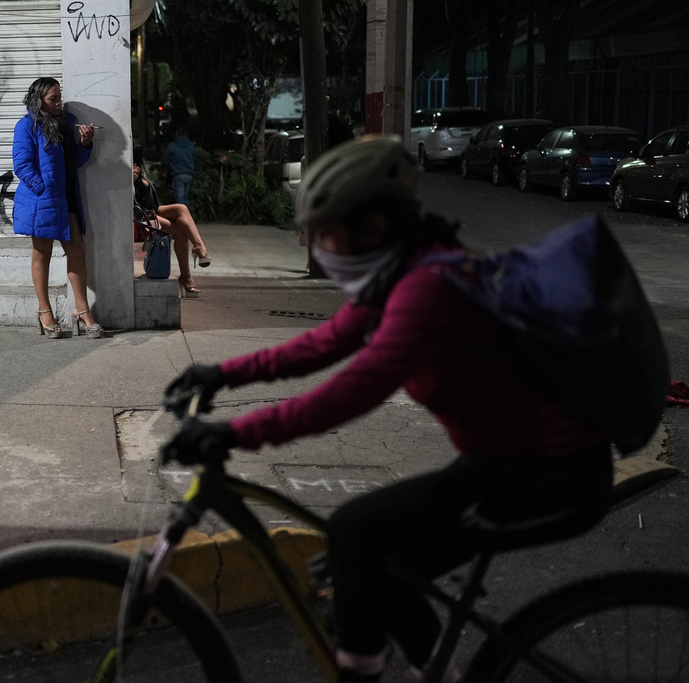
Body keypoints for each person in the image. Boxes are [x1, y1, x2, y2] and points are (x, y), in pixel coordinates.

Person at [162, 135, 613, 682]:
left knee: (357, 530)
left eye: (328, 233)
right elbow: (323, 344)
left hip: (554, 472)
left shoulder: (428, 287)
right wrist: (223, 373)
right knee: (386, 567)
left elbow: (351, 391)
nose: (320, 247)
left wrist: (234, 434)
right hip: (504, 457)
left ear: (372, 228)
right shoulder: (403, 270)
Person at [12, 76, 103, 339]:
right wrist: (44, 190)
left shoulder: (65, 124)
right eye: (53, 99)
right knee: (42, 254)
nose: (59, 103)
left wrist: (85, 143)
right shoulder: (26, 126)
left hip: (67, 199)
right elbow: (22, 165)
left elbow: (73, 162)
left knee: (77, 251)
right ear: (38, 100)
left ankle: (82, 311)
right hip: (43, 201)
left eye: (59, 97)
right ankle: (44, 312)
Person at [133, 146, 211, 298]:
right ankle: (187, 277)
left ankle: (199, 247)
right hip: (142, 216)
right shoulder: (126, 172)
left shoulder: (139, 170)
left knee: (181, 208)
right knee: (182, 234)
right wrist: (131, 179)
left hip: (152, 210)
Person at [162, 127, 196, 207]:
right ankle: (186, 215)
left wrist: (167, 168)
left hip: (178, 174)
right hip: (189, 174)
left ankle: (181, 217)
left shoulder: (172, 146)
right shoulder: (191, 145)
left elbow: (165, 159)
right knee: (185, 197)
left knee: (179, 198)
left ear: (176, 134)